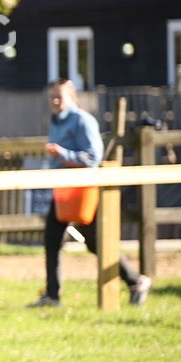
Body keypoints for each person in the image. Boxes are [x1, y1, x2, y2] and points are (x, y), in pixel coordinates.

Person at [29, 79, 151, 308]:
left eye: (59, 97)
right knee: (52, 239)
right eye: (51, 97)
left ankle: (136, 281)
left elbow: (92, 158)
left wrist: (62, 154)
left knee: (96, 242)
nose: (55, 101)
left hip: (82, 190)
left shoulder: (83, 121)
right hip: (63, 190)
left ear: (72, 98)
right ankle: (52, 295)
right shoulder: (56, 121)